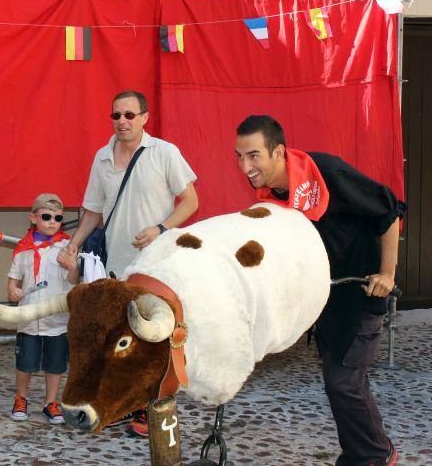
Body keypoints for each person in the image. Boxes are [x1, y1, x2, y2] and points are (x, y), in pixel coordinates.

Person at [235, 115, 404, 466]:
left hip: (361, 293)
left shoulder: (326, 173)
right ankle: (360, 455)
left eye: (253, 155)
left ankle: (377, 455)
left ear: (278, 151)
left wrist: (386, 273)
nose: (245, 166)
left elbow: (389, 211)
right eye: (239, 156)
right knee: (339, 382)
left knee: (344, 382)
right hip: (324, 301)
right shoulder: (270, 197)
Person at [58, 89, 198, 436]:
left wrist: (161, 228)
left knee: (157, 338)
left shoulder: (164, 152)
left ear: (144, 117)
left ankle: (153, 409)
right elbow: (92, 210)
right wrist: (73, 245)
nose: (122, 121)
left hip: (157, 264)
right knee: (121, 341)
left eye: (129, 115)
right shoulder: (102, 158)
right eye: (116, 115)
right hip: (117, 265)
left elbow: (191, 200)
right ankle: (124, 404)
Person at [8, 193, 79, 425]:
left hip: (57, 319)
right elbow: (13, 282)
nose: (52, 222)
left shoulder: (67, 247)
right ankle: (21, 398)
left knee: (55, 363)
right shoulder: (23, 249)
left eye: (58, 218)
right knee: (24, 362)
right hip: (29, 318)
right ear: (33, 217)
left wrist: (71, 266)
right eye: (46, 216)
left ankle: (51, 402)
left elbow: (74, 281)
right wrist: (14, 291)